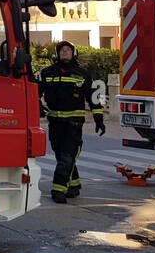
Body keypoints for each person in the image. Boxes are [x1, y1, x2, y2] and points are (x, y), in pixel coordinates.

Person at [37, 40, 105, 203]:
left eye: (68, 50)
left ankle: (58, 189)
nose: (65, 53)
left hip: (74, 122)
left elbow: (93, 98)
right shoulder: (47, 73)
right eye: (62, 50)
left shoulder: (83, 74)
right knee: (62, 156)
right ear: (57, 54)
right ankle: (74, 185)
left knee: (68, 156)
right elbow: (35, 92)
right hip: (55, 121)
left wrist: (99, 118)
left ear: (73, 53)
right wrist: (37, 105)